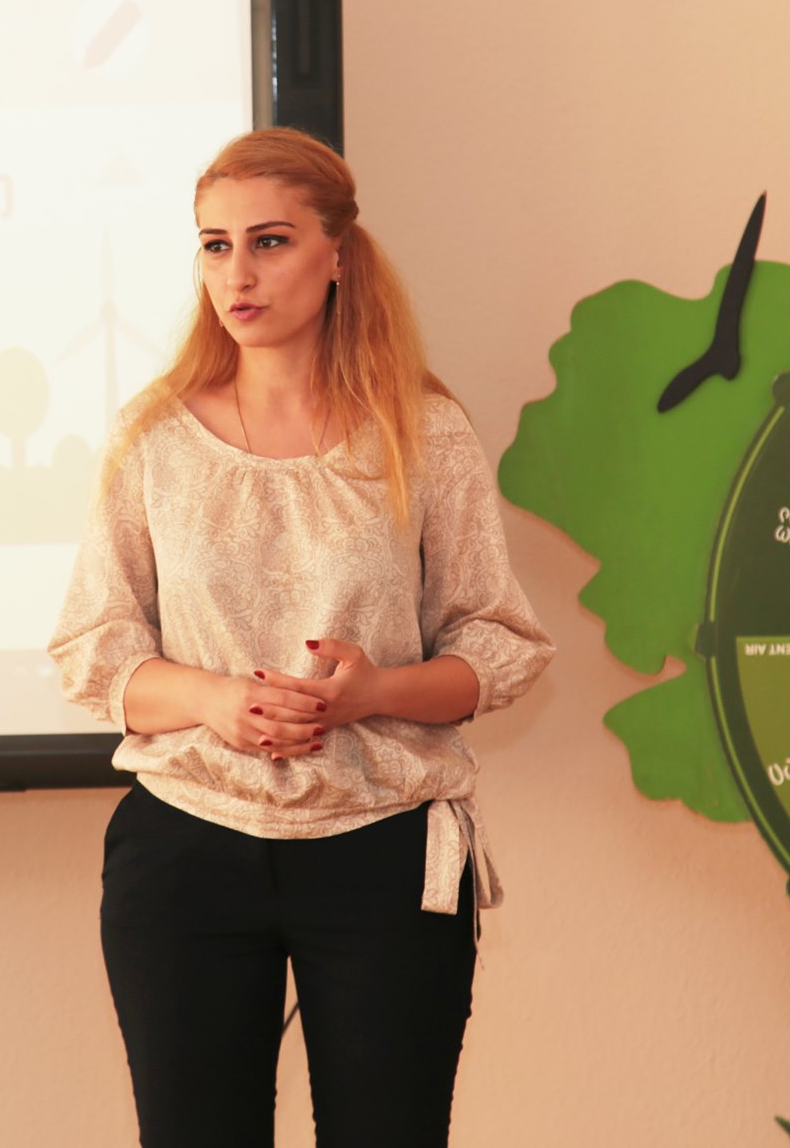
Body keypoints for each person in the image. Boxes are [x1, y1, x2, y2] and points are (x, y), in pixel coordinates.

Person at [48, 127, 553, 1148]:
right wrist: (214, 700)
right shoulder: (153, 437)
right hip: (186, 847)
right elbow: (93, 649)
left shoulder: (424, 431)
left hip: (384, 850)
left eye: (269, 241)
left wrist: (375, 693)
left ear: (338, 255)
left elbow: (500, 644)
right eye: (214, 245)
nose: (237, 274)